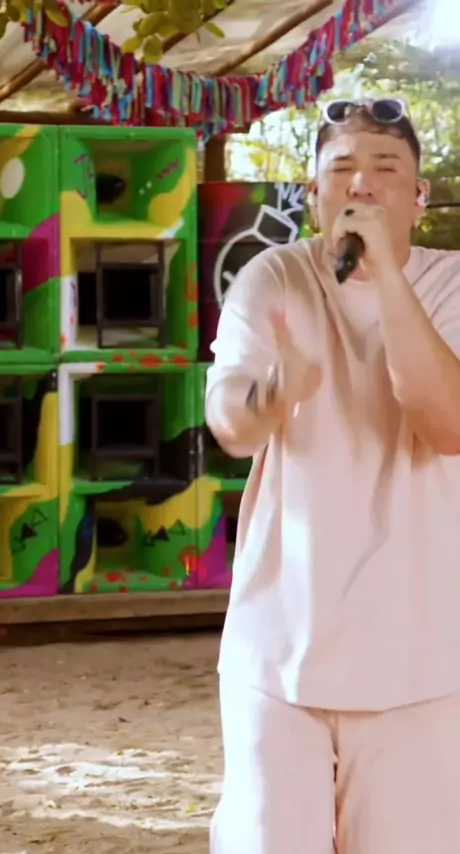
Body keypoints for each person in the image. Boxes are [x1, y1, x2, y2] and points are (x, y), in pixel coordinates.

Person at [206, 98, 460, 854]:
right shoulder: (274, 277)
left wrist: (385, 278)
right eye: (341, 168)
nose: (362, 183)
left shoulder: (451, 284)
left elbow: (447, 424)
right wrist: (272, 395)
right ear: (313, 194)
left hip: (422, 662)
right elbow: (229, 422)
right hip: (277, 651)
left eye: (386, 169)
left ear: (419, 197)